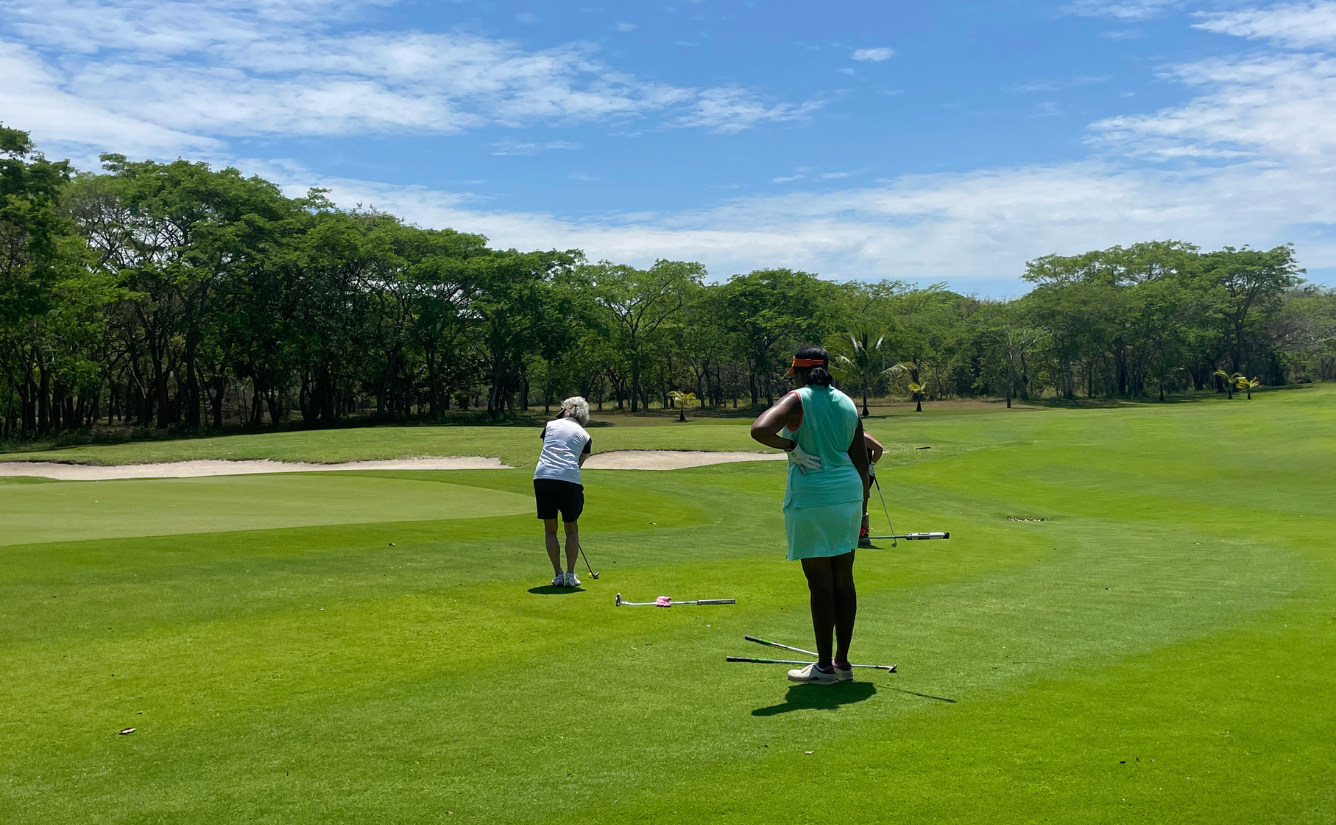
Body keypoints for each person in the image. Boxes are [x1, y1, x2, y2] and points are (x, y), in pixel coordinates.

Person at [751, 346, 870, 684]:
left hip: (813, 496)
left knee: (820, 582)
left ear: (801, 373)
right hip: (848, 494)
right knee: (843, 578)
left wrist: (792, 447)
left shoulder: (797, 399)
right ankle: (842, 663)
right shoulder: (847, 402)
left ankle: (823, 667)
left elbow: (760, 429)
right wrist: (862, 509)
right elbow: (861, 461)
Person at [533, 396, 592, 588]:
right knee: (571, 528)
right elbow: (578, 463)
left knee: (550, 528)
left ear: (566, 410)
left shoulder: (550, 426)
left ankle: (558, 575)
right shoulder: (585, 436)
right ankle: (570, 575)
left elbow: (548, 447)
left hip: (543, 477)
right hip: (569, 479)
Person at [859, 432, 885, 548]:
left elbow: (879, 449)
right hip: (857, 474)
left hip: (865, 474)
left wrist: (872, 464)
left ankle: (863, 534)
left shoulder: (861, 435)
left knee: (861, 504)